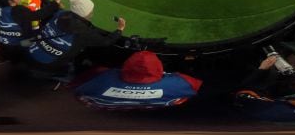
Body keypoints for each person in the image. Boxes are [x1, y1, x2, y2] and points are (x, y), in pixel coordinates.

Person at [27, 0, 126, 74]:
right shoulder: (84, 31)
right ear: (86, 14)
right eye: (91, 11)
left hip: (32, 51)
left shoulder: (60, 14)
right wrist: (119, 29)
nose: (92, 12)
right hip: (48, 65)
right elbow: (106, 41)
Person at [74, 51, 202, 110]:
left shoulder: (100, 78)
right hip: (160, 108)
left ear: (126, 65)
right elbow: (196, 86)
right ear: (158, 66)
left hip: (103, 106)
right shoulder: (179, 83)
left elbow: (77, 88)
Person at [0, 0, 60, 64]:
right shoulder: (18, 10)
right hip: (16, 45)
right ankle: (19, 62)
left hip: (1, 42)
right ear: (10, 1)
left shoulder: (1, 8)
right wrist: (55, 3)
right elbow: (37, 15)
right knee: (40, 39)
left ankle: (3, 57)